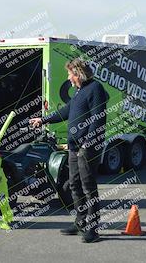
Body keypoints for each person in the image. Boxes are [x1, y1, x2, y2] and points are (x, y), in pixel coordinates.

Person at [30, 58, 108, 243]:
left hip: (87, 148)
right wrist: (43, 120)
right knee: (74, 184)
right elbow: (67, 111)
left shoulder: (95, 89)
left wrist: (89, 142)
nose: (68, 78)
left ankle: (93, 228)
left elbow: (98, 118)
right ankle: (80, 222)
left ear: (78, 74)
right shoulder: (79, 91)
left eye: (70, 74)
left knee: (88, 187)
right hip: (74, 147)